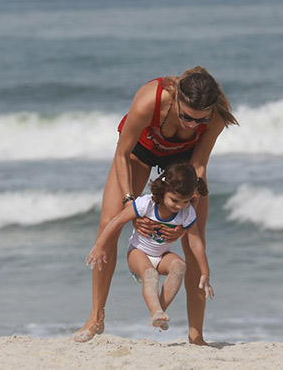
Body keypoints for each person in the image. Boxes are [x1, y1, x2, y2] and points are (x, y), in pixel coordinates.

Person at [73, 66, 238, 345]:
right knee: (108, 224)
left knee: (196, 240)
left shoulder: (215, 119)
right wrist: (130, 203)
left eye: (200, 120)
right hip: (138, 153)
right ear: (175, 98)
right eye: (186, 116)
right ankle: (96, 317)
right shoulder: (150, 100)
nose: (192, 125)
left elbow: (198, 166)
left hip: (185, 165)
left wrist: (184, 224)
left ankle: (196, 335)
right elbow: (122, 152)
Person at [85, 162, 214, 332]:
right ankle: (156, 311)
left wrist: (205, 272)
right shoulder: (147, 204)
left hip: (162, 256)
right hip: (138, 253)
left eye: (185, 201)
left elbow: (196, 243)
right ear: (163, 189)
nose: (179, 206)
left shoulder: (187, 212)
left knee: (180, 266)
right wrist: (99, 245)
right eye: (174, 200)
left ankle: (158, 312)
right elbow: (117, 221)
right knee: (151, 274)